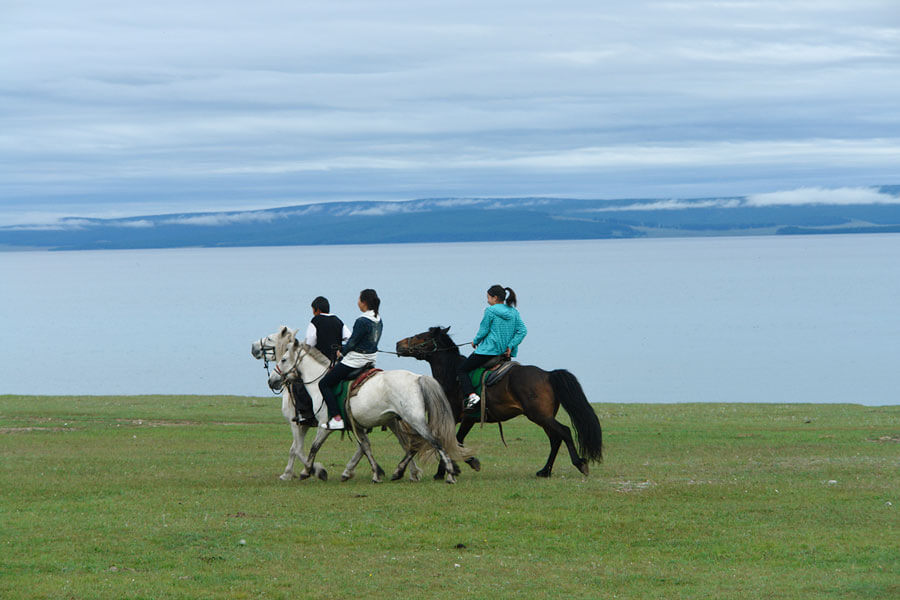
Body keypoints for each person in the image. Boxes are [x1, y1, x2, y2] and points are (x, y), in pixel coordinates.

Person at [318, 289, 383, 430]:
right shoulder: (378, 319)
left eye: (359, 299)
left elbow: (353, 343)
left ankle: (336, 418)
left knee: (324, 383)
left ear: (364, 302)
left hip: (355, 361)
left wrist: (341, 352)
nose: (357, 302)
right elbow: (364, 341)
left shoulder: (362, 320)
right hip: (371, 359)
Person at [457, 285, 527, 410]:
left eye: (488, 297)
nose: (487, 300)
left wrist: (475, 341)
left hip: (488, 351)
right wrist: (511, 345)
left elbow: (484, 330)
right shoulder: (514, 312)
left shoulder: (490, 311)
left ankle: (472, 396)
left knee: (462, 370)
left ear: (495, 298)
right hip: (505, 354)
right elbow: (522, 331)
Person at [290, 296, 351, 425]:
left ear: (317, 310)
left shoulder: (315, 320)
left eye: (313, 310)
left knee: (299, 382)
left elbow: (310, 341)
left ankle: (305, 414)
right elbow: (348, 337)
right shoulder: (338, 321)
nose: (313, 313)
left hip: (320, 361)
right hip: (336, 361)